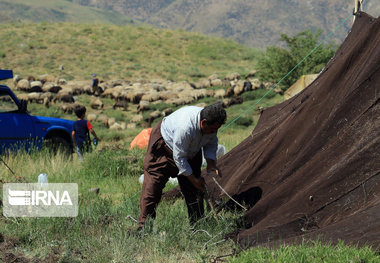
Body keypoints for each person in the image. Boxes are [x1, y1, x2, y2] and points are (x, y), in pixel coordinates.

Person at [138, 102, 227, 231]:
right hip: (164, 147)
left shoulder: (211, 125)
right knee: (153, 185)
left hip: (191, 150)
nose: (214, 132)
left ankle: (198, 226)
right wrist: (193, 179)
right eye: (212, 129)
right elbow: (179, 158)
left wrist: (211, 164)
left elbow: (211, 142)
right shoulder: (185, 128)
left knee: (195, 190)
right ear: (203, 123)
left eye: (216, 129)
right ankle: (144, 228)